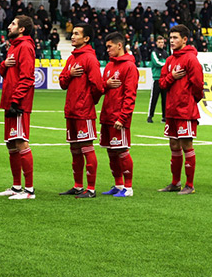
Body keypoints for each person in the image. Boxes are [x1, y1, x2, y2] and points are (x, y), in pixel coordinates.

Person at [58, 23, 104, 199]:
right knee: (74, 149)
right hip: (71, 110)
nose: (73, 36)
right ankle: (78, 186)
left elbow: (98, 86)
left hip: (84, 111)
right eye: (73, 33)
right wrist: (70, 74)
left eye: (77, 34)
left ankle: (91, 189)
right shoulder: (72, 59)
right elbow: (62, 82)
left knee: (86, 148)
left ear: (86, 38)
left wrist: (89, 102)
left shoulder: (90, 59)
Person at [158, 25, 204, 195]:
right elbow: (162, 83)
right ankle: (175, 183)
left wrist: (190, 100)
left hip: (185, 110)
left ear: (185, 39)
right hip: (171, 110)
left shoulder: (191, 59)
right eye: (170, 38)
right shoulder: (170, 60)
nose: (171, 41)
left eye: (175, 38)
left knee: (186, 145)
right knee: (173, 144)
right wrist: (172, 76)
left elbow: (198, 85)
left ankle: (189, 185)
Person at [0, 15, 37, 200]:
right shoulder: (13, 47)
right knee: (11, 143)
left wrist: (16, 100)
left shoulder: (25, 46)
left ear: (22, 29)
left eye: (13, 24)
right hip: (9, 101)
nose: (9, 26)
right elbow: (4, 73)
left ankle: (29, 190)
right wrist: (4, 64)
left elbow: (27, 77)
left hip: (18, 103)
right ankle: (16, 186)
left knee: (20, 142)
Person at [98, 32, 138, 198]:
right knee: (111, 151)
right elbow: (101, 88)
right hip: (107, 116)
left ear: (119, 45)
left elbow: (130, 95)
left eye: (110, 46)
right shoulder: (109, 66)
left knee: (121, 151)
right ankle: (118, 184)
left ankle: (128, 188)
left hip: (118, 118)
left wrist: (123, 117)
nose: (107, 50)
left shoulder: (129, 67)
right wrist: (105, 84)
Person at [147, 35, 168, 123]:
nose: (161, 44)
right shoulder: (154, 52)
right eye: (159, 42)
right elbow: (157, 63)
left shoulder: (165, 53)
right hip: (157, 78)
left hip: (165, 79)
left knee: (165, 99)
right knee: (154, 98)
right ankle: (150, 116)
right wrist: (166, 64)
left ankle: (164, 117)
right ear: (156, 43)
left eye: (162, 42)